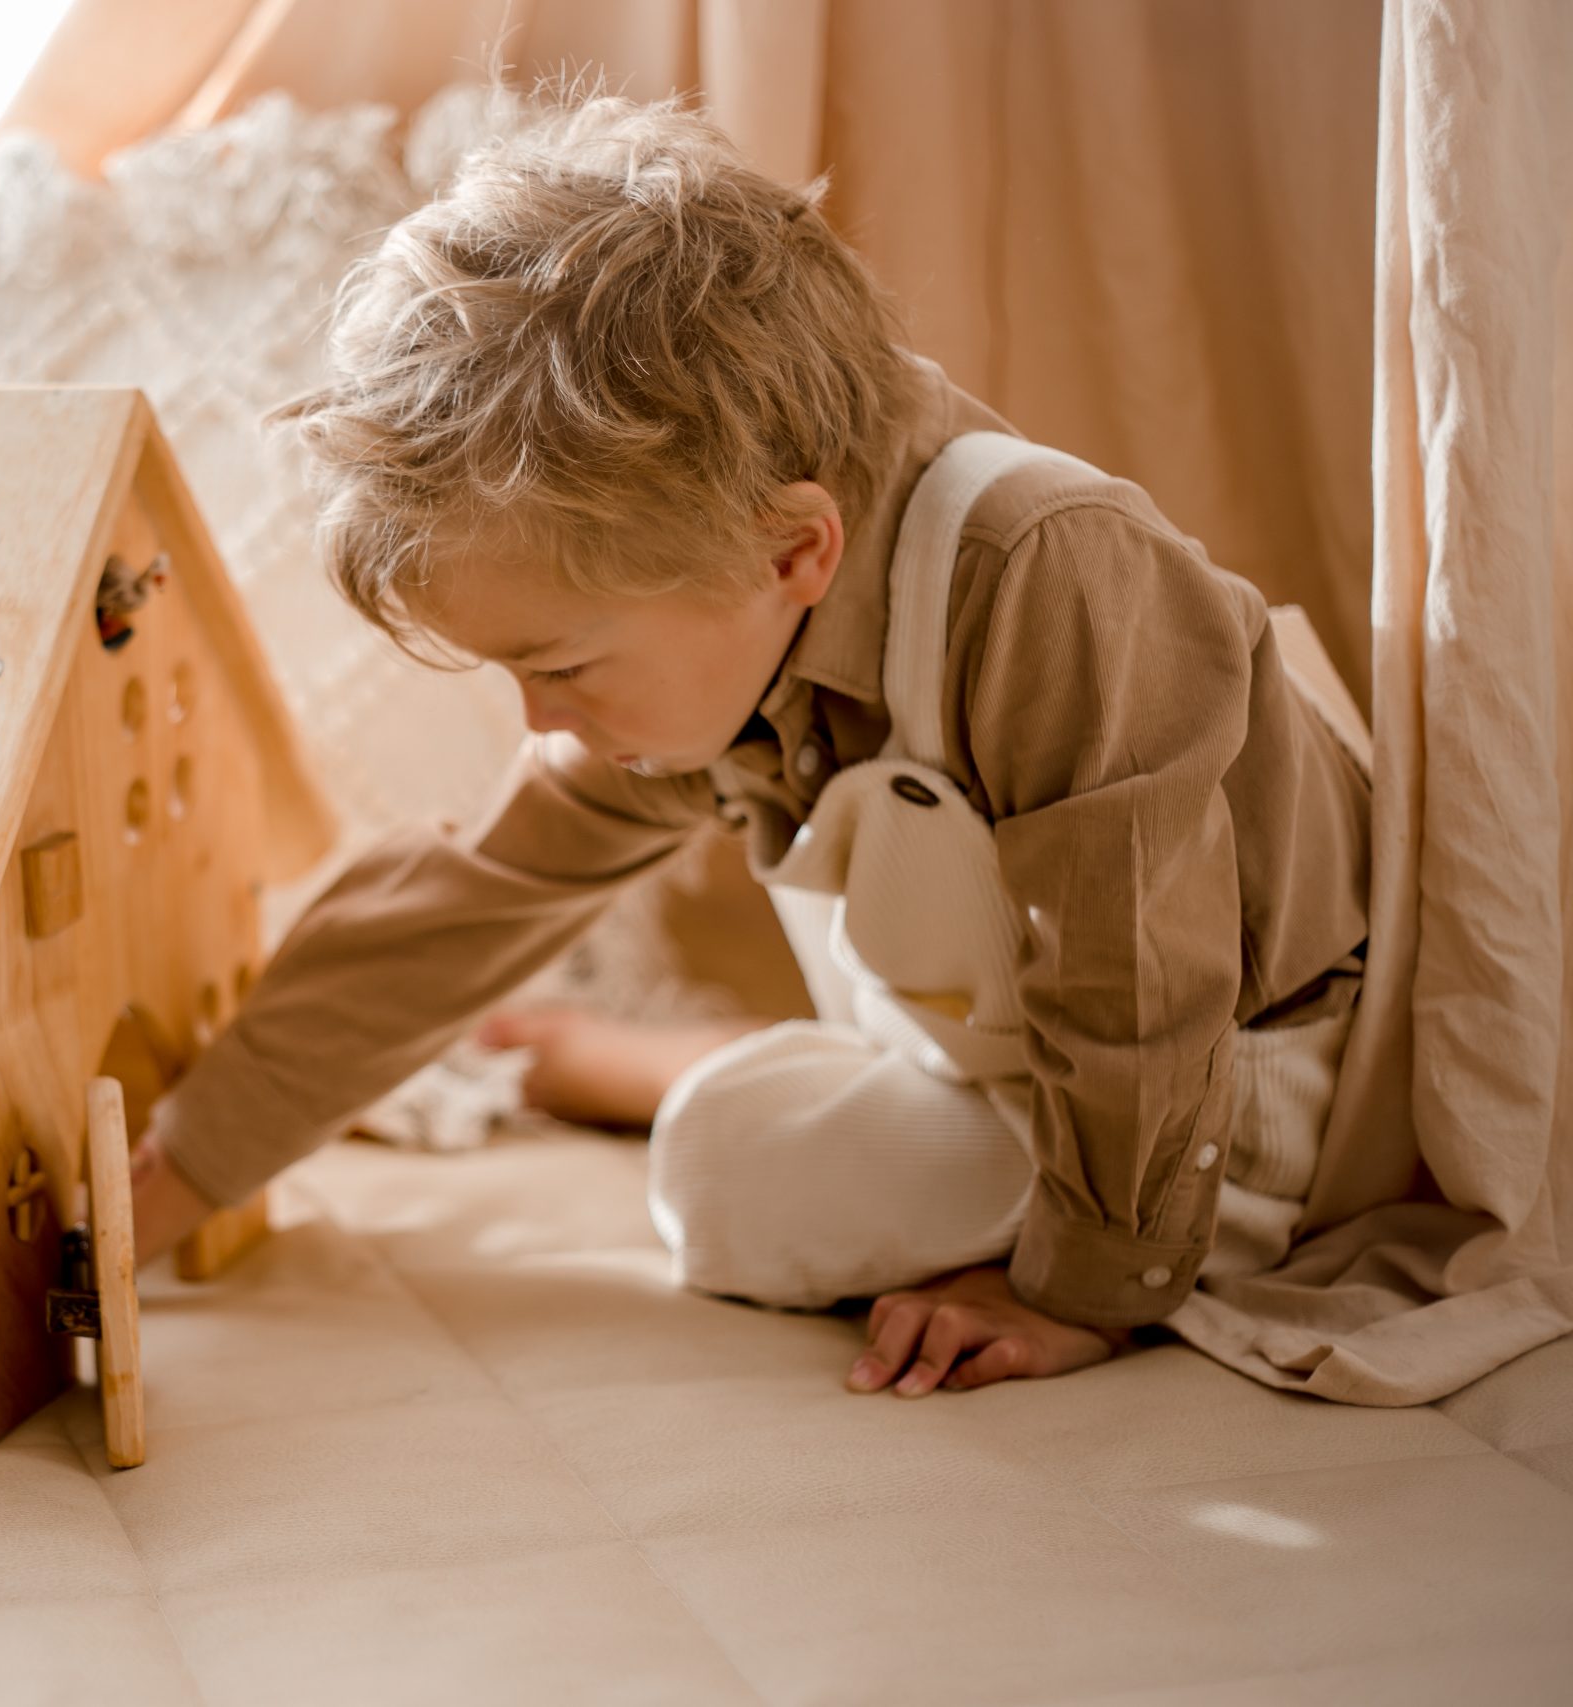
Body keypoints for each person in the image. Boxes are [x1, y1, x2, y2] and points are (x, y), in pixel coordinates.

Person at [125, 88, 1372, 1399]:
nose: (543, 719)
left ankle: (622, 1067)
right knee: (742, 1147)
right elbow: (472, 893)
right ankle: (613, 1062)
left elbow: (1136, 982)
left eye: (559, 666)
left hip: (1228, 1085)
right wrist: (186, 1163)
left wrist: (1083, 1289)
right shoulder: (704, 571)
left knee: (736, 1189)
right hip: (999, 1054)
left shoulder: (1046, 572)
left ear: (795, 549)